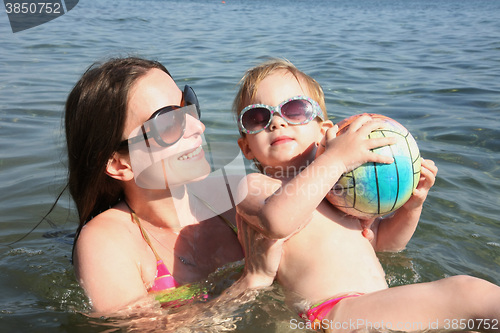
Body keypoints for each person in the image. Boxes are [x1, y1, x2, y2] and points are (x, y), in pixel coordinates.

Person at [232, 59, 500, 332]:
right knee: (468, 293)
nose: (277, 122)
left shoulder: (339, 192)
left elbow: (384, 244)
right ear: (246, 148)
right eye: (257, 118)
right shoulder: (256, 185)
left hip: (369, 311)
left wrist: (411, 208)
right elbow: (277, 222)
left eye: (294, 110)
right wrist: (335, 159)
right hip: (333, 312)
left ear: (325, 131)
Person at [65, 57, 283, 315]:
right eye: (167, 122)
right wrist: (252, 281)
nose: (198, 127)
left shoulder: (237, 195)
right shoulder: (106, 243)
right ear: (119, 164)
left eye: (188, 105)